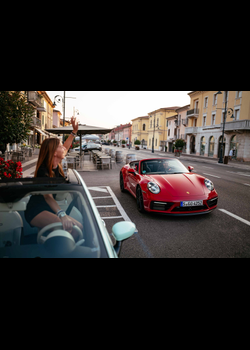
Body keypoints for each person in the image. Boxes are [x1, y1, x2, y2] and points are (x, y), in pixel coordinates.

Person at [25, 117, 83, 241]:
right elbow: (48, 197)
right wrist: (62, 215)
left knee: (80, 226)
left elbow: (66, 147)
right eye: (60, 146)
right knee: (72, 230)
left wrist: (74, 132)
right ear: (54, 152)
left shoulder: (56, 166)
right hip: (36, 211)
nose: (64, 149)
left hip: (49, 209)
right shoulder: (43, 171)